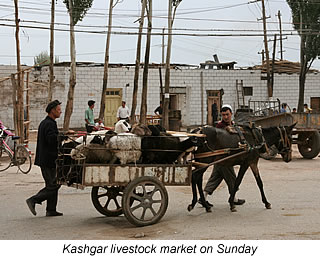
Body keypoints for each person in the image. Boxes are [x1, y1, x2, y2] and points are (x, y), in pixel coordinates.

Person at [200, 104, 245, 207]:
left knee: (215, 178)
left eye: (227, 114)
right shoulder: (220, 127)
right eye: (223, 115)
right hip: (223, 157)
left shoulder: (234, 125)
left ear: (231, 114)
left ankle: (203, 197)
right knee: (232, 178)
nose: (225, 117)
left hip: (225, 157)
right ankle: (233, 198)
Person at [26, 100, 63, 217]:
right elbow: (51, 139)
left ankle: (51, 209)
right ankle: (33, 199)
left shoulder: (47, 122)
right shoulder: (49, 124)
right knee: (54, 184)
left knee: (52, 183)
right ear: (52, 111)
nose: (60, 112)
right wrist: (63, 136)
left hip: (47, 159)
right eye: (58, 110)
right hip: (48, 160)